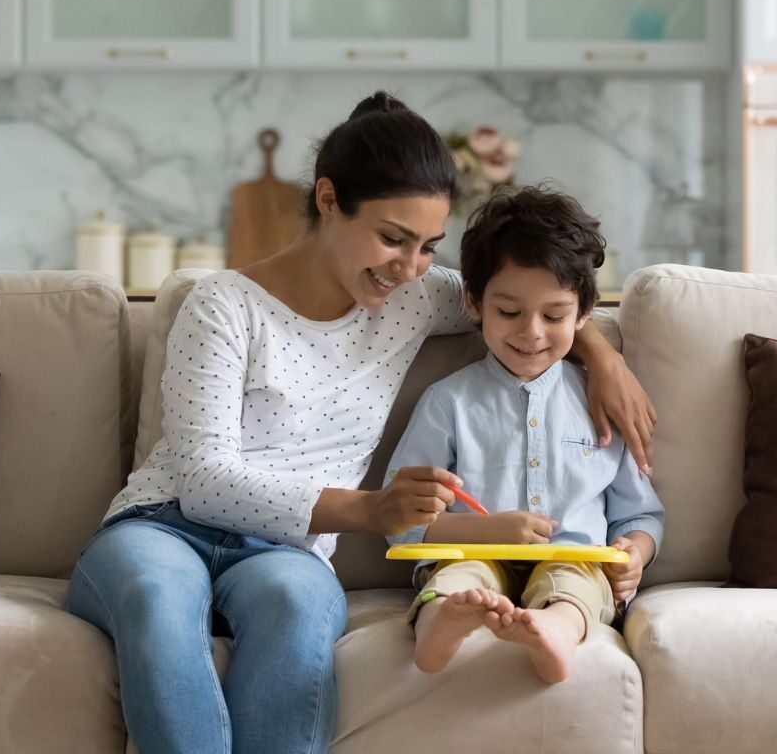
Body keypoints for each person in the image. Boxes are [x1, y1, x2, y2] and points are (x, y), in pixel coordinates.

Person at [63, 93, 658, 753]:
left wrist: (601, 354)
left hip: (285, 552)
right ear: (327, 199)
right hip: (165, 525)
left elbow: (528, 306)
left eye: (429, 246)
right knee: (156, 598)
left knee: (297, 609)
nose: (408, 265)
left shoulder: (412, 296)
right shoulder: (223, 307)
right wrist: (373, 509)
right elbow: (203, 481)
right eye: (392, 238)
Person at [387, 185, 665, 684]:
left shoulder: (601, 402)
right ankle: (439, 625)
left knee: (572, 584)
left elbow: (640, 512)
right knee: (458, 581)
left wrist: (635, 554)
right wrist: (484, 533)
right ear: (474, 302)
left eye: (554, 316)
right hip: (472, 557)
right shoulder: (447, 403)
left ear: (583, 315)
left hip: (575, 562)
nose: (531, 332)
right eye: (509, 312)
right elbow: (401, 521)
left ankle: (555, 629)